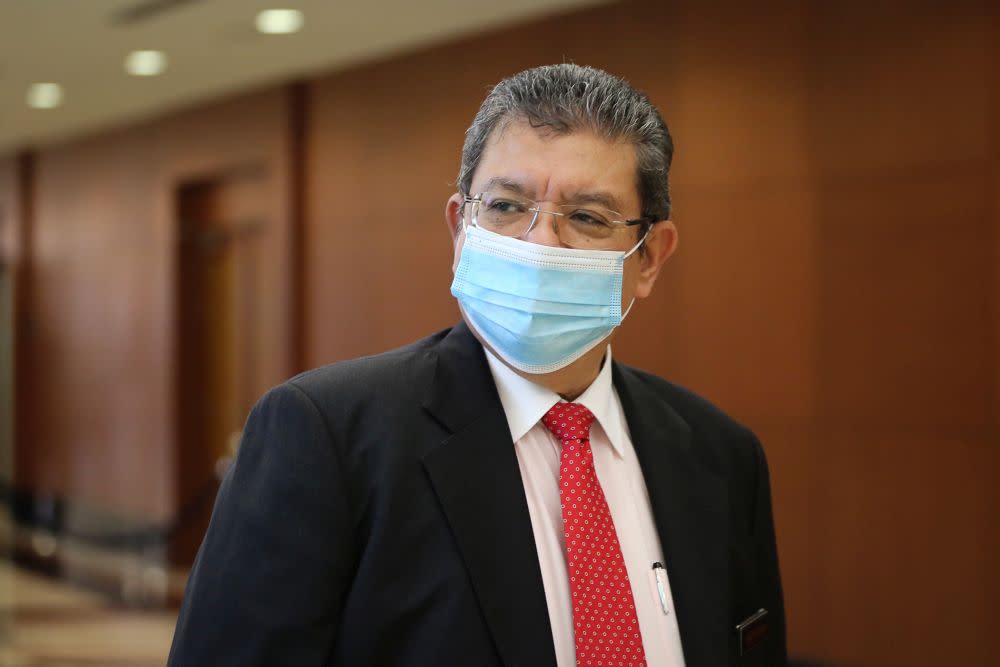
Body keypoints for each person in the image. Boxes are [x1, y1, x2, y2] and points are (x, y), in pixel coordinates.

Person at [167, 64, 786, 667]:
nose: (540, 242)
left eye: (587, 218)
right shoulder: (328, 436)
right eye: (508, 206)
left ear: (649, 256)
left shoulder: (721, 457)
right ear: (461, 229)